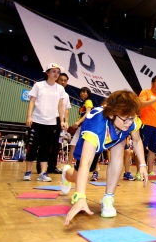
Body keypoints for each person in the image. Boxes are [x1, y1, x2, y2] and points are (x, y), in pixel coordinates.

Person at [63, 90, 148, 224]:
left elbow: (137, 140)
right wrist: (80, 196)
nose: (129, 122)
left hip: (116, 139)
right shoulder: (95, 123)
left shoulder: (130, 119)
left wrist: (142, 165)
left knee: (119, 150)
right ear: (112, 114)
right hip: (96, 139)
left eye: (132, 118)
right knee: (78, 175)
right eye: (125, 119)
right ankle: (66, 173)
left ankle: (108, 198)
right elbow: (86, 161)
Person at [24, 63, 67, 182]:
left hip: (51, 123)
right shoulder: (38, 85)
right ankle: (28, 171)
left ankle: (43, 173)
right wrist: (29, 116)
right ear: (47, 73)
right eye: (53, 71)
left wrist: (62, 121)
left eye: (58, 72)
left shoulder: (60, 89)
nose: (56, 74)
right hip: (37, 121)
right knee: (32, 147)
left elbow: (60, 106)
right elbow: (32, 101)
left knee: (45, 148)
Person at [138, 75, 156, 178]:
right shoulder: (145, 92)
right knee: (141, 148)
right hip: (145, 124)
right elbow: (141, 104)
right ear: (152, 83)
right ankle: (139, 171)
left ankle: (150, 170)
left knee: (152, 149)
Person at [47, 73, 71, 174]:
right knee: (46, 144)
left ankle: (52, 166)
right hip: (49, 119)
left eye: (65, 80)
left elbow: (66, 110)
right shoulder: (51, 90)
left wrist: (66, 122)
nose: (63, 82)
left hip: (59, 121)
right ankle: (41, 166)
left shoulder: (66, 95)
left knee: (57, 144)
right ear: (57, 80)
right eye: (61, 79)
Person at [68, 88, 95, 178]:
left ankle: (95, 170)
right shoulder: (83, 103)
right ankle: (68, 166)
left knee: (78, 146)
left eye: (85, 92)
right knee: (73, 145)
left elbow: (88, 114)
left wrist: (78, 122)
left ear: (88, 93)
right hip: (82, 127)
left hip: (85, 127)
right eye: (81, 92)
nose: (83, 93)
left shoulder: (88, 102)